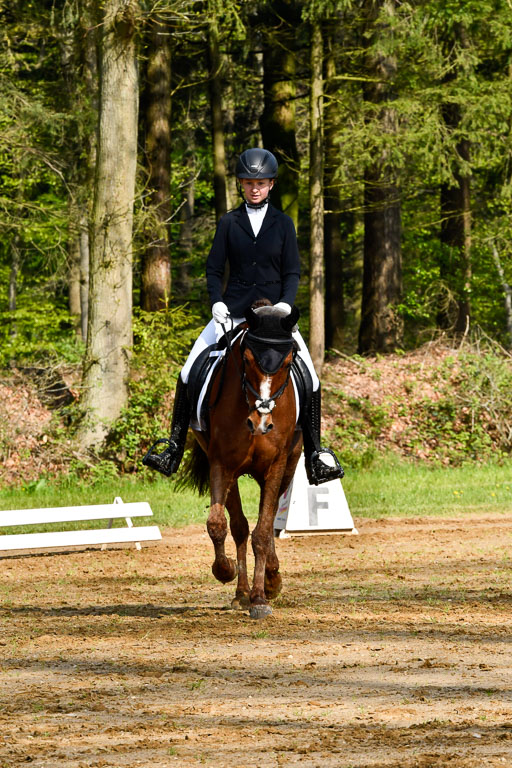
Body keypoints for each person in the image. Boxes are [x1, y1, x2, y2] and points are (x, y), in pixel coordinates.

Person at [143, 147, 343, 485]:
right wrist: (216, 302)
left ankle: (316, 453)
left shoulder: (283, 223)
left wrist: (284, 305)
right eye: (249, 183)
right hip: (234, 313)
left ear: (271, 185)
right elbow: (212, 269)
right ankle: (174, 445)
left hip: (274, 318)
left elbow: (293, 272)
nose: (255, 188)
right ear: (241, 184)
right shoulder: (229, 222)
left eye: (261, 183)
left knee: (311, 376)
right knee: (189, 369)